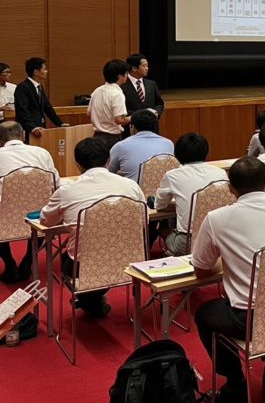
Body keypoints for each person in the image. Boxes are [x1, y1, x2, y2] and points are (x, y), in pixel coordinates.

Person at [191, 157, 265, 403]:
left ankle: (235, 384)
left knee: (204, 314)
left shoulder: (216, 218)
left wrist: (226, 262)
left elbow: (201, 270)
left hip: (250, 319)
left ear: (230, 188)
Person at [40, 137, 145, 318]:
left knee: (68, 260)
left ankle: (90, 300)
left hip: (84, 266)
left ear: (77, 165)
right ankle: (92, 300)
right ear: (108, 160)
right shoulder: (131, 186)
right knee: (99, 259)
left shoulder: (66, 191)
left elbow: (45, 222)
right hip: (130, 260)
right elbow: (143, 221)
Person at [0, 121, 58, 281]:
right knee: (45, 209)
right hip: (40, 218)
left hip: (4, 219)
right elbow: (56, 184)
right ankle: (28, 262)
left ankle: (10, 264)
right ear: (23, 135)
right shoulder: (42, 153)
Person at [154, 133, 225, 255]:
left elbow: (159, 206)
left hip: (188, 242)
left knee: (164, 229)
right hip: (220, 238)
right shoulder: (221, 173)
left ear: (177, 154)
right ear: (206, 152)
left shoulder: (172, 175)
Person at [107, 110, 174, 184]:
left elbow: (108, 173)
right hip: (163, 189)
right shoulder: (168, 144)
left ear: (133, 127)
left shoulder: (120, 146)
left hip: (133, 190)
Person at [14, 57, 65, 138]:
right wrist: (32, 127)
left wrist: (60, 123)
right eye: (44, 69)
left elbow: (47, 107)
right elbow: (22, 110)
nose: (46, 71)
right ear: (36, 72)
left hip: (40, 127)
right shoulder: (22, 87)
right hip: (28, 129)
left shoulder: (40, 86)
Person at [88, 59, 131, 146]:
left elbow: (88, 113)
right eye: (126, 73)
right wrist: (133, 117)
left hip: (96, 137)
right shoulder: (117, 94)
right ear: (120, 76)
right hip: (112, 138)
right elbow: (120, 120)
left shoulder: (97, 90)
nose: (127, 75)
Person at [122, 53, 165, 122]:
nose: (147, 68)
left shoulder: (151, 84)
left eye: (147, 66)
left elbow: (159, 103)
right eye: (144, 66)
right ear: (134, 68)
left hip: (151, 124)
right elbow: (122, 109)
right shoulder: (122, 85)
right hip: (132, 124)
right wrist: (142, 115)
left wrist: (156, 113)